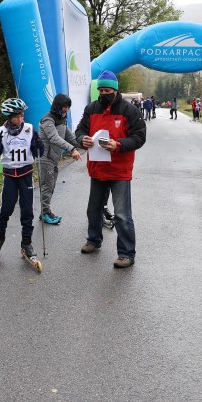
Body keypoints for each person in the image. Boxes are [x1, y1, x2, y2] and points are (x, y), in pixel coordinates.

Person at [75, 70, 146, 269]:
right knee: (93, 210)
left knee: (122, 214)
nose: (104, 94)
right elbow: (79, 130)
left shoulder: (129, 111)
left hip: (119, 171)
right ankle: (93, 240)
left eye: (107, 90)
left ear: (115, 90)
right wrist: (82, 139)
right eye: (101, 90)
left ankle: (126, 254)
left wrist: (119, 145)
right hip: (98, 169)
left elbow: (139, 137)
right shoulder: (91, 108)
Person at [0, 97, 44, 258]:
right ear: (9, 117)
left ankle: (26, 243)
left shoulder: (29, 129)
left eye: (22, 116)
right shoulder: (1, 132)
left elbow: (39, 152)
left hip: (26, 175)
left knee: (27, 211)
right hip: (9, 177)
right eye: (17, 116)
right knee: (5, 210)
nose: (20, 119)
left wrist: (39, 144)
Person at [38, 93, 82, 224]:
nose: (66, 109)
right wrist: (72, 149)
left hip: (54, 158)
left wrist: (86, 143)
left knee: (51, 186)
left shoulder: (62, 119)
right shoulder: (48, 119)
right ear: (57, 105)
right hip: (45, 158)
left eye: (68, 107)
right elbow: (54, 138)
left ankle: (45, 211)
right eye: (64, 106)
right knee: (47, 186)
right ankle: (45, 213)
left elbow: (71, 138)